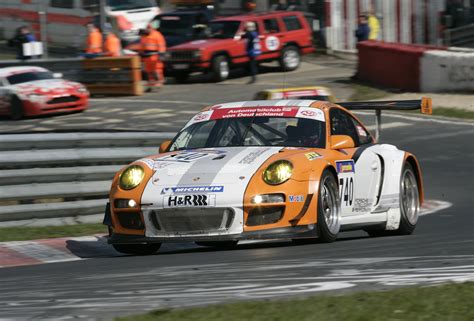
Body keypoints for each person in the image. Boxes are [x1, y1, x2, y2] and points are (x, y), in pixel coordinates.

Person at [139, 24, 166, 90]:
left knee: (157, 69)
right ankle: (151, 82)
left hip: (155, 55)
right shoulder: (144, 36)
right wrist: (141, 52)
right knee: (148, 70)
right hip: (146, 55)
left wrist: (161, 53)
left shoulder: (157, 35)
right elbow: (142, 44)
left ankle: (159, 82)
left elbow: (161, 44)